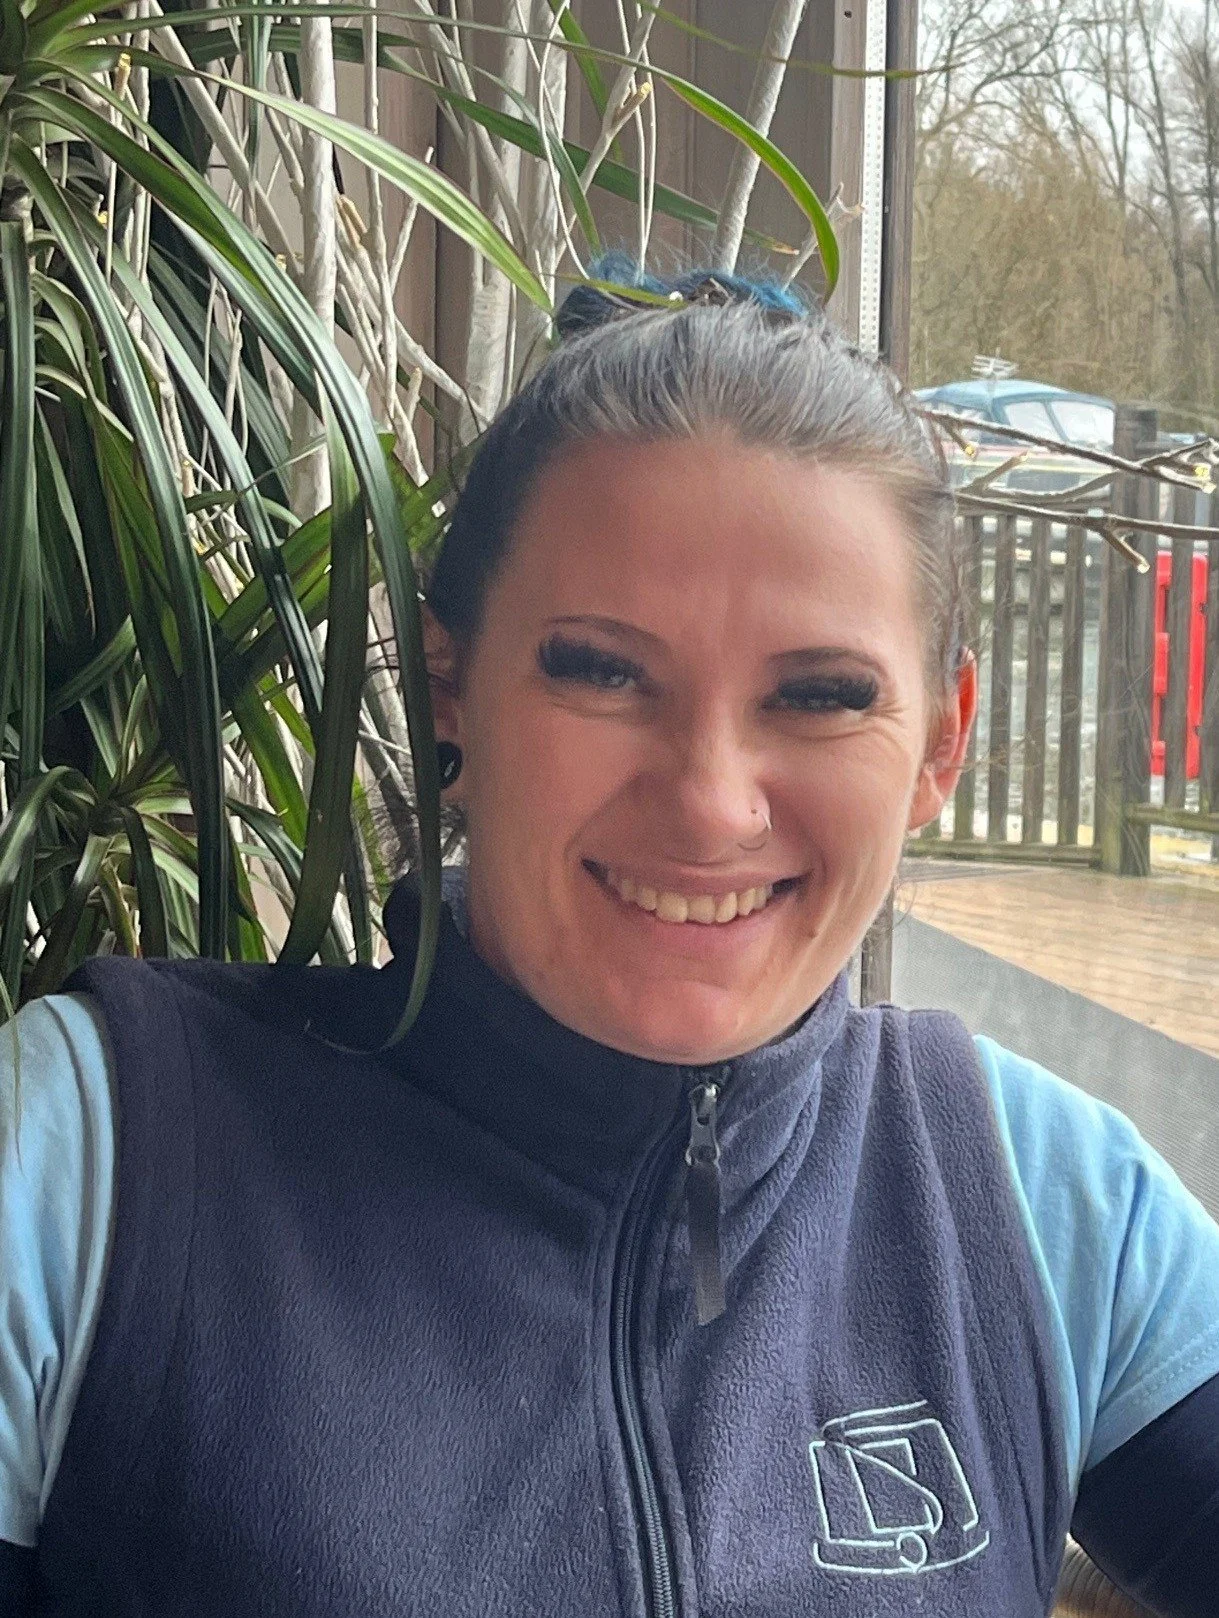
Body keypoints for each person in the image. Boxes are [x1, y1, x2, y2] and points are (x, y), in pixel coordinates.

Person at [1, 264, 1217, 1618]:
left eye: (817, 694)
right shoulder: (93, 1160)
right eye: (599, 670)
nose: (709, 801)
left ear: (940, 742)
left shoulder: (1044, 1199)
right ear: (450, 683)